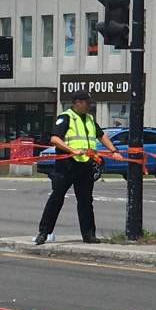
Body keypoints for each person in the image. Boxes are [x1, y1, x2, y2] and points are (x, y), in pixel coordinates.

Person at [34, 92, 122, 245]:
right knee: (57, 198)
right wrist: (70, 149)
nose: (89, 105)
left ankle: (89, 235)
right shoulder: (66, 117)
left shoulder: (89, 119)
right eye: (87, 102)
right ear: (77, 103)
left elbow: (101, 136)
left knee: (86, 201)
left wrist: (114, 151)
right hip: (67, 165)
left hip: (85, 165)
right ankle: (44, 232)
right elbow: (54, 138)